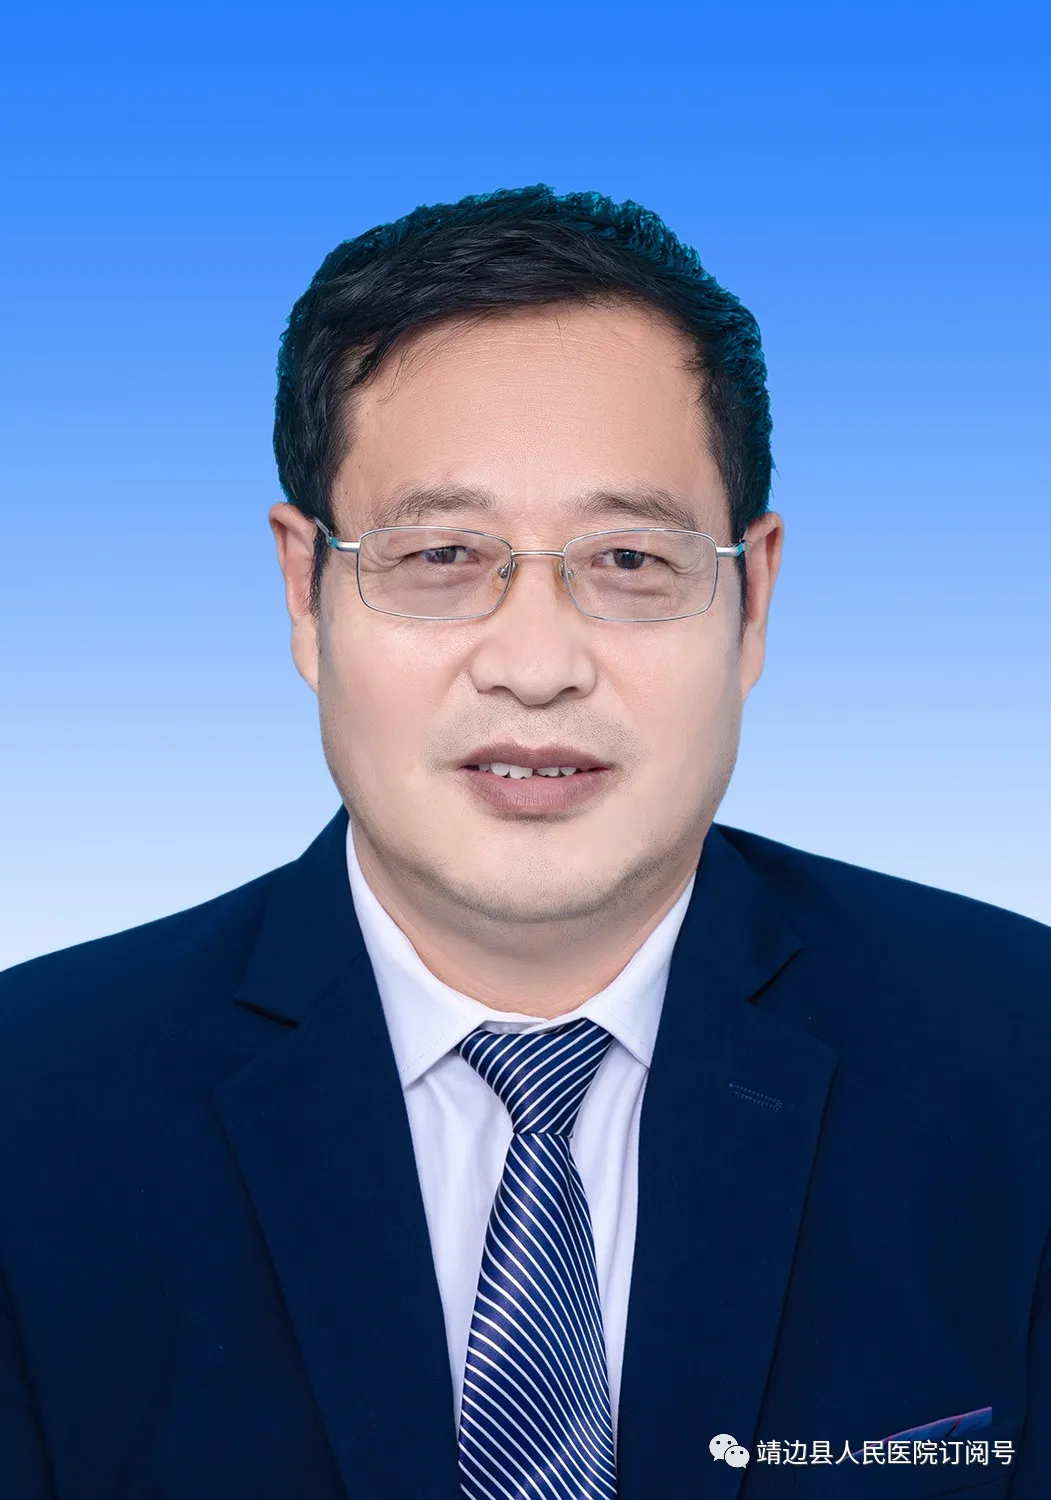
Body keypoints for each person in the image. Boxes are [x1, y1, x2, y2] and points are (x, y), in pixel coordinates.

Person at [0, 184, 1047, 1500]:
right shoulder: (31, 1111)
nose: (539, 665)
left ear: (753, 596)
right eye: (442, 554)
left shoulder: (1021, 1060)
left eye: (629, 560)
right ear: (305, 594)